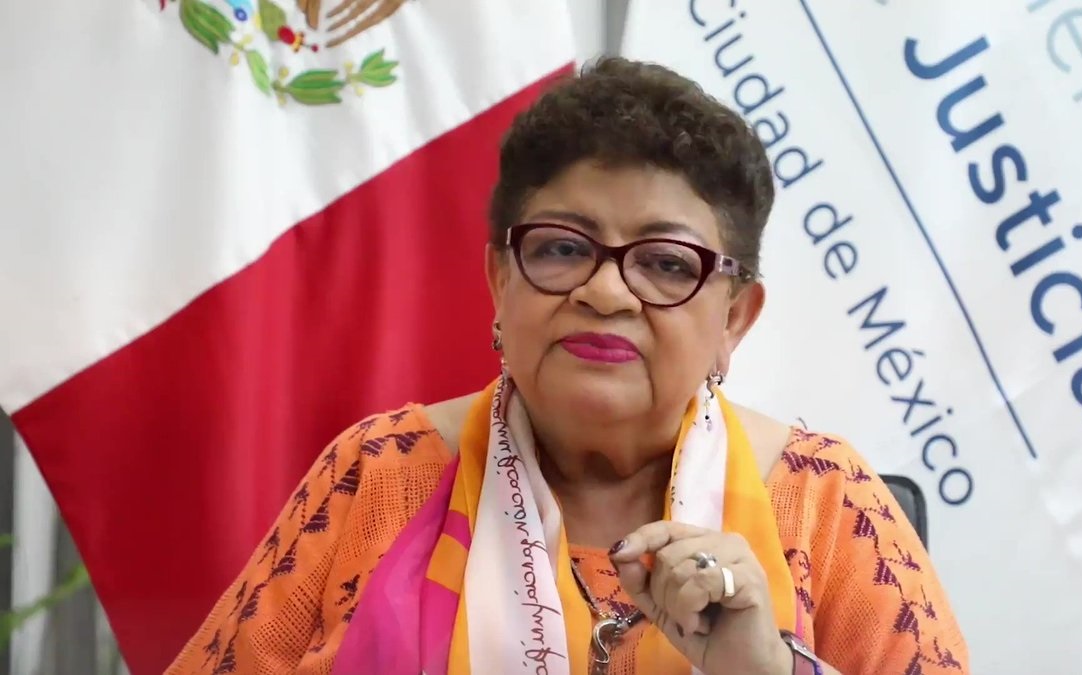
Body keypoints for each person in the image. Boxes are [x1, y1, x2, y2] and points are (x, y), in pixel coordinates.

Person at [168, 57, 968, 675]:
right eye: (560, 248)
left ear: (733, 318)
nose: (605, 292)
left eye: (665, 262)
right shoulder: (378, 476)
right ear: (500, 281)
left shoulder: (827, 504)